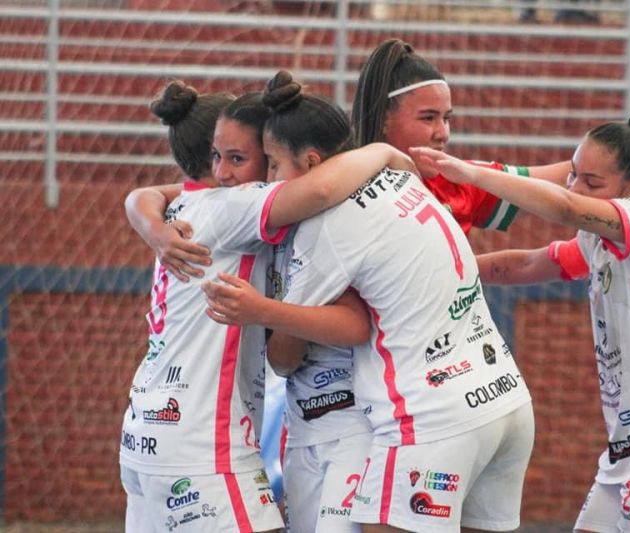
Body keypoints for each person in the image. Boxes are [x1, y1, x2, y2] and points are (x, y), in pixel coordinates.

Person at [202, 71, 535, 532]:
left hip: (430, 415)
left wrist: (258, 311)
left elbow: (287, 354)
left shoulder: (326, 225)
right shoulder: (404, 178)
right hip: (505, 400)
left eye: (273, 164)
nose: (269, 178)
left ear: (314, 160)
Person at [409, 112, 630, 532]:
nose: (576, 188)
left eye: (591, 184)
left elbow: (564, 208)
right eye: (573, 175)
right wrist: (443, 269)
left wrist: (468, 174)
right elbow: (528, 263)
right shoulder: (600, 242)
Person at [120, 80, 413, 533]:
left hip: (148, 431)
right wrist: (385, 153)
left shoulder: (188, 206)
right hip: (201, 443)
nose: (223, 172)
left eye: (237, 159)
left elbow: (144, 195)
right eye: (221, 157)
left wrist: (149, 225)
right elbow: (317, 189)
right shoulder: (234, 206)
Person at [351, 38, 630, 235]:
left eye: (448, 118)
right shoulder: (340, 183)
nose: (443, 133)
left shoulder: (458, 179)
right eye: (428, 118)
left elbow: (571, 176)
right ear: (383, 120)